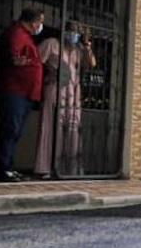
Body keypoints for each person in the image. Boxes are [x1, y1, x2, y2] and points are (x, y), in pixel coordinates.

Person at [35, 24, 96, 179]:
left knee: (72, 127)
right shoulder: (51, 44)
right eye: (72, 32)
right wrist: (47, 76)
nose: (73, 36)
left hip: (73, 91)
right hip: (55, 87)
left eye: (77, 33)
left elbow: (91, 64)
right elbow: (36, 62)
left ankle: (70, 169)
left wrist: (87, 44)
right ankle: (46, 168)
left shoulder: (78, 50)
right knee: (51, 126)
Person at [0, 8, 44, 183]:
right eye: (40, 22)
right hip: (13, 91)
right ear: (32, 21)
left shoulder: (25, 36)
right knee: (10, 129)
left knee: (15, 131)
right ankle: (4, 169)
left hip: (24, 93)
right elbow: (14, 55)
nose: (40, 26)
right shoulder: (16, 33)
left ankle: (9, 167)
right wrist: (19, 60)